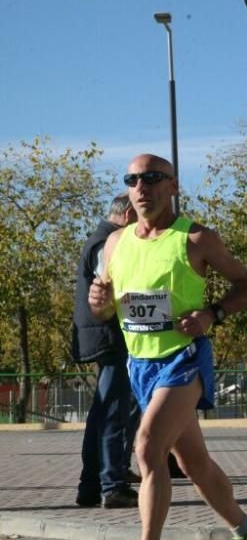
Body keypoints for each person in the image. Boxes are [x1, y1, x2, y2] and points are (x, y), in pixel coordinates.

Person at [89, 154, 247, 540]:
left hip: (183, 358)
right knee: (193, 461)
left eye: (151, 178)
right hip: (140, 364)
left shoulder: (197, 239)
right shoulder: (115, 243)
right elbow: (107, 307)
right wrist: (99, 302)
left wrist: (213, 314)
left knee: (147, 448)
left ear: (173, 186)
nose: (141, 186)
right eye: (132, 179)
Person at [72, 192, 141, 509]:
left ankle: (91, 486)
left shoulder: (98, 238)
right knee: (114, 413)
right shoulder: (108, 242)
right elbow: (115, 287)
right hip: (111, 338)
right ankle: (111, 485)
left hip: (100, 336)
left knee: (102, 413)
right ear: (128, 214)